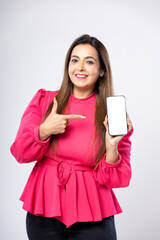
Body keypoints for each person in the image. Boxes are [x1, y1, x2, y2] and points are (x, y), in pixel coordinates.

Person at [10, 34, 133, 240]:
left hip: (94, 216)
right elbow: (20, 153)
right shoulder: (45, 101)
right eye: (74, 60)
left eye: (89, 61)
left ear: (102, 70)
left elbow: (119, 179)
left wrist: (111, 148)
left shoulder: (112, 116)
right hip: (43, 212)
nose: (80, 67)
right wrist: (44, 130)